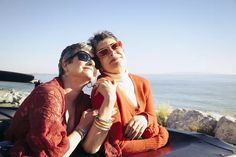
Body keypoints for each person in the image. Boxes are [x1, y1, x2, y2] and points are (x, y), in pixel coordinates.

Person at [5, 42, 117, 157]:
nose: (92, 62)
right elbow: (51, 154)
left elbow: (92, 148)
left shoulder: (84, 102)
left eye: (96, 62)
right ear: (65, 64)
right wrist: (81, 129)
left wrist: (109, 99)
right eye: (84, 56)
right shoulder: (48, 93)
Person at [88, 31, 169, 156]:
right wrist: (161, 139)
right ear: (99, 64)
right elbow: (116, 146)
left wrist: (145, 118)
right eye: (103, 52)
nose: (112, 52)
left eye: (115, 46)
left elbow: (153, 125)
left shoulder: (142, 83)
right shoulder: (103, 89)